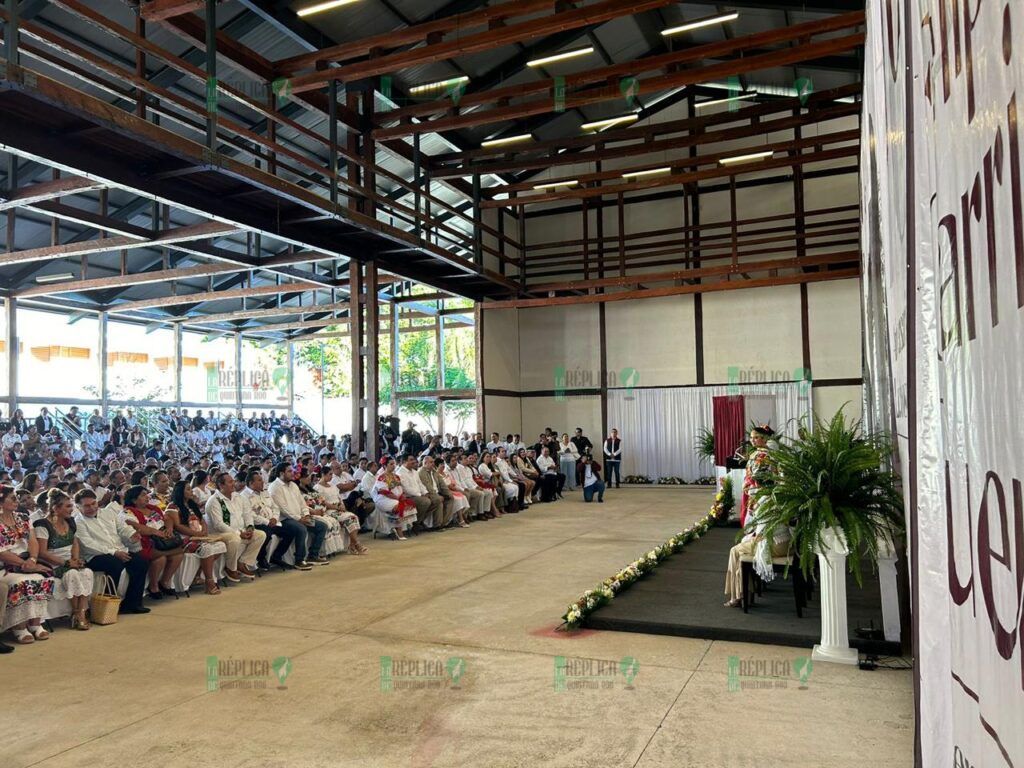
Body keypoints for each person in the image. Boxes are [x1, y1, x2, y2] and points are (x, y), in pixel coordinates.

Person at [74, 488, 150, 615]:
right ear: (78, 507)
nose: (92, 508)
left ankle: (132, 604)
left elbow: (122, 528)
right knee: (115, 564)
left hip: (118, 550)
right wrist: (114, 552)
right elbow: (88, 545)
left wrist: (131, 534)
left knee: (140, 562)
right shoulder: (78, 521)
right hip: (94, 556)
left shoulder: (107, 513)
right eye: (87, 506)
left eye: (94, 503)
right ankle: (107, 605)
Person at [0, 484, 55, 644]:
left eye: (16, 497)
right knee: (22, 582)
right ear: (1, 502)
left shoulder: (22, 517)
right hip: (5, 565)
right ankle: (19, 627)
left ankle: (35, 624)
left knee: (42, 578)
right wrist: (26, 563)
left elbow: (33, 541)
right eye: (12, 498)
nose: (16, 501)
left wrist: (32, 559)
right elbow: (2, 552)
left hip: (26, 561)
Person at [33, 488, 95, 629]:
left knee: (87, 572)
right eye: (68, 506)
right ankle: (77, 613)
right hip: (51, 563)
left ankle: (80, 613)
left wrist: (76, 559)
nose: (71, 509)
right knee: (72, 573)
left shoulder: (70, 522)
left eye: (71, 506)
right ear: (56, 508)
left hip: (69, 560)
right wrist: (67, 563)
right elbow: (42, 552)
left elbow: (75, 543)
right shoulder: (43, 525)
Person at [122, 485, 184, 601]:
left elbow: (167, 519)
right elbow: (135, 526)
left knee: (178, 555)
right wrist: (155, 532)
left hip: (163, 540)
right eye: (143, 495)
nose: (147, 497)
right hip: (144, 543)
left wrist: (169, 529)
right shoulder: (128, 512)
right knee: (161, 558)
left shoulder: (153, 508)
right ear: (134, 499)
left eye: (147, 494)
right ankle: (153, 586)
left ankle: (164, 582)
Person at [165, 480, 228, 595]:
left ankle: (197, 574)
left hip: (199, 536)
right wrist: (196, 534)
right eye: (188, 489)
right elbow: (178, 526)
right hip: (185, 539)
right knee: (207, 549)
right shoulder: (173, 506)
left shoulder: (191, 504)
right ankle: (209, 582)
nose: (191, 491)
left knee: (221, 545)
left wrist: (203, 530)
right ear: (180, 492)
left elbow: (202, 519)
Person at [205, 471, 265, 581]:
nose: (234, 483)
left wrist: (250, 528)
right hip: (219, 534)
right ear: (221, 485)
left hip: (240, 530)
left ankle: (242, 563)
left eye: (233, 481)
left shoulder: (239, 497)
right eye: (230, 482)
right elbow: (219, 525)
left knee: (260, 534)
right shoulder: (214, 501)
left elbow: (247, 515)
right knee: (235, 538)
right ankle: (230, 568)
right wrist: (239, 533)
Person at [269, 462, 323, 570]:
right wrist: (299, 519)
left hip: (300, 517)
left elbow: (302, 503)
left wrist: (306, 515)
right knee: (301, 529)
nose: (292, 473)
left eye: (292, 471)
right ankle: (299, 560)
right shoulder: (275, 487)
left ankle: (313, 555)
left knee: (321, 526)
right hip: (284, 520)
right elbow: (283, 509)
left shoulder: (293, 485)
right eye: (289, 471)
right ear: (281, 473)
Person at [241, 469, 294, 571]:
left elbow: (275, 507)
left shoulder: (265, 492)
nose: (263, 482)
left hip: (273, 521)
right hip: (258, 524)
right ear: (251, 483)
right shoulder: (244, 496)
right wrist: (267, 522)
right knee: (267, 534)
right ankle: (261, 559)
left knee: (290, 532)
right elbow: (249, 515)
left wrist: (274, 518)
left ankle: (276, 556)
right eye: (260, 480)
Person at [371, 458, 417, 540]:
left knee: (410, 504)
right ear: (385, 466)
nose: (393, 466)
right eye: (391, 464)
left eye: (394, 464)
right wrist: (398, 498)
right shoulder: (381, 477)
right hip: (383, 499)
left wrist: (402, 496)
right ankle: (398, 529)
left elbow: (400, 489)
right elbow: (384, 492)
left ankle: (401, 527)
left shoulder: (396, 477)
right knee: (398, 505)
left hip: (395, 498)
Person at [740, 425, 774, 528]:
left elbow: (760, 475)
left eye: (755, 437)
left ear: (764, 439)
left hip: (760, 490)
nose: (752, 440)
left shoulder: (765, 454)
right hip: (752, 488)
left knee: (758, 516)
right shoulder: (755, 453)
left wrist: (749, 482)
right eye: (751, 437)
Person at [396, 454, 440, 530]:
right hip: (409, 497)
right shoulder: (400, 473)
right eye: (411, 460)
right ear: (404, 461)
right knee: (425, 502)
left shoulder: (414, 471)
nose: (413, 461)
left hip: (419, 495)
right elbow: (406, 489)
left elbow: (420, 484)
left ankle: (419, 521)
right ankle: (416, 523)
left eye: (413, 459)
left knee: (436, 500)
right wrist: (420, 495)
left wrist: (425, 493)